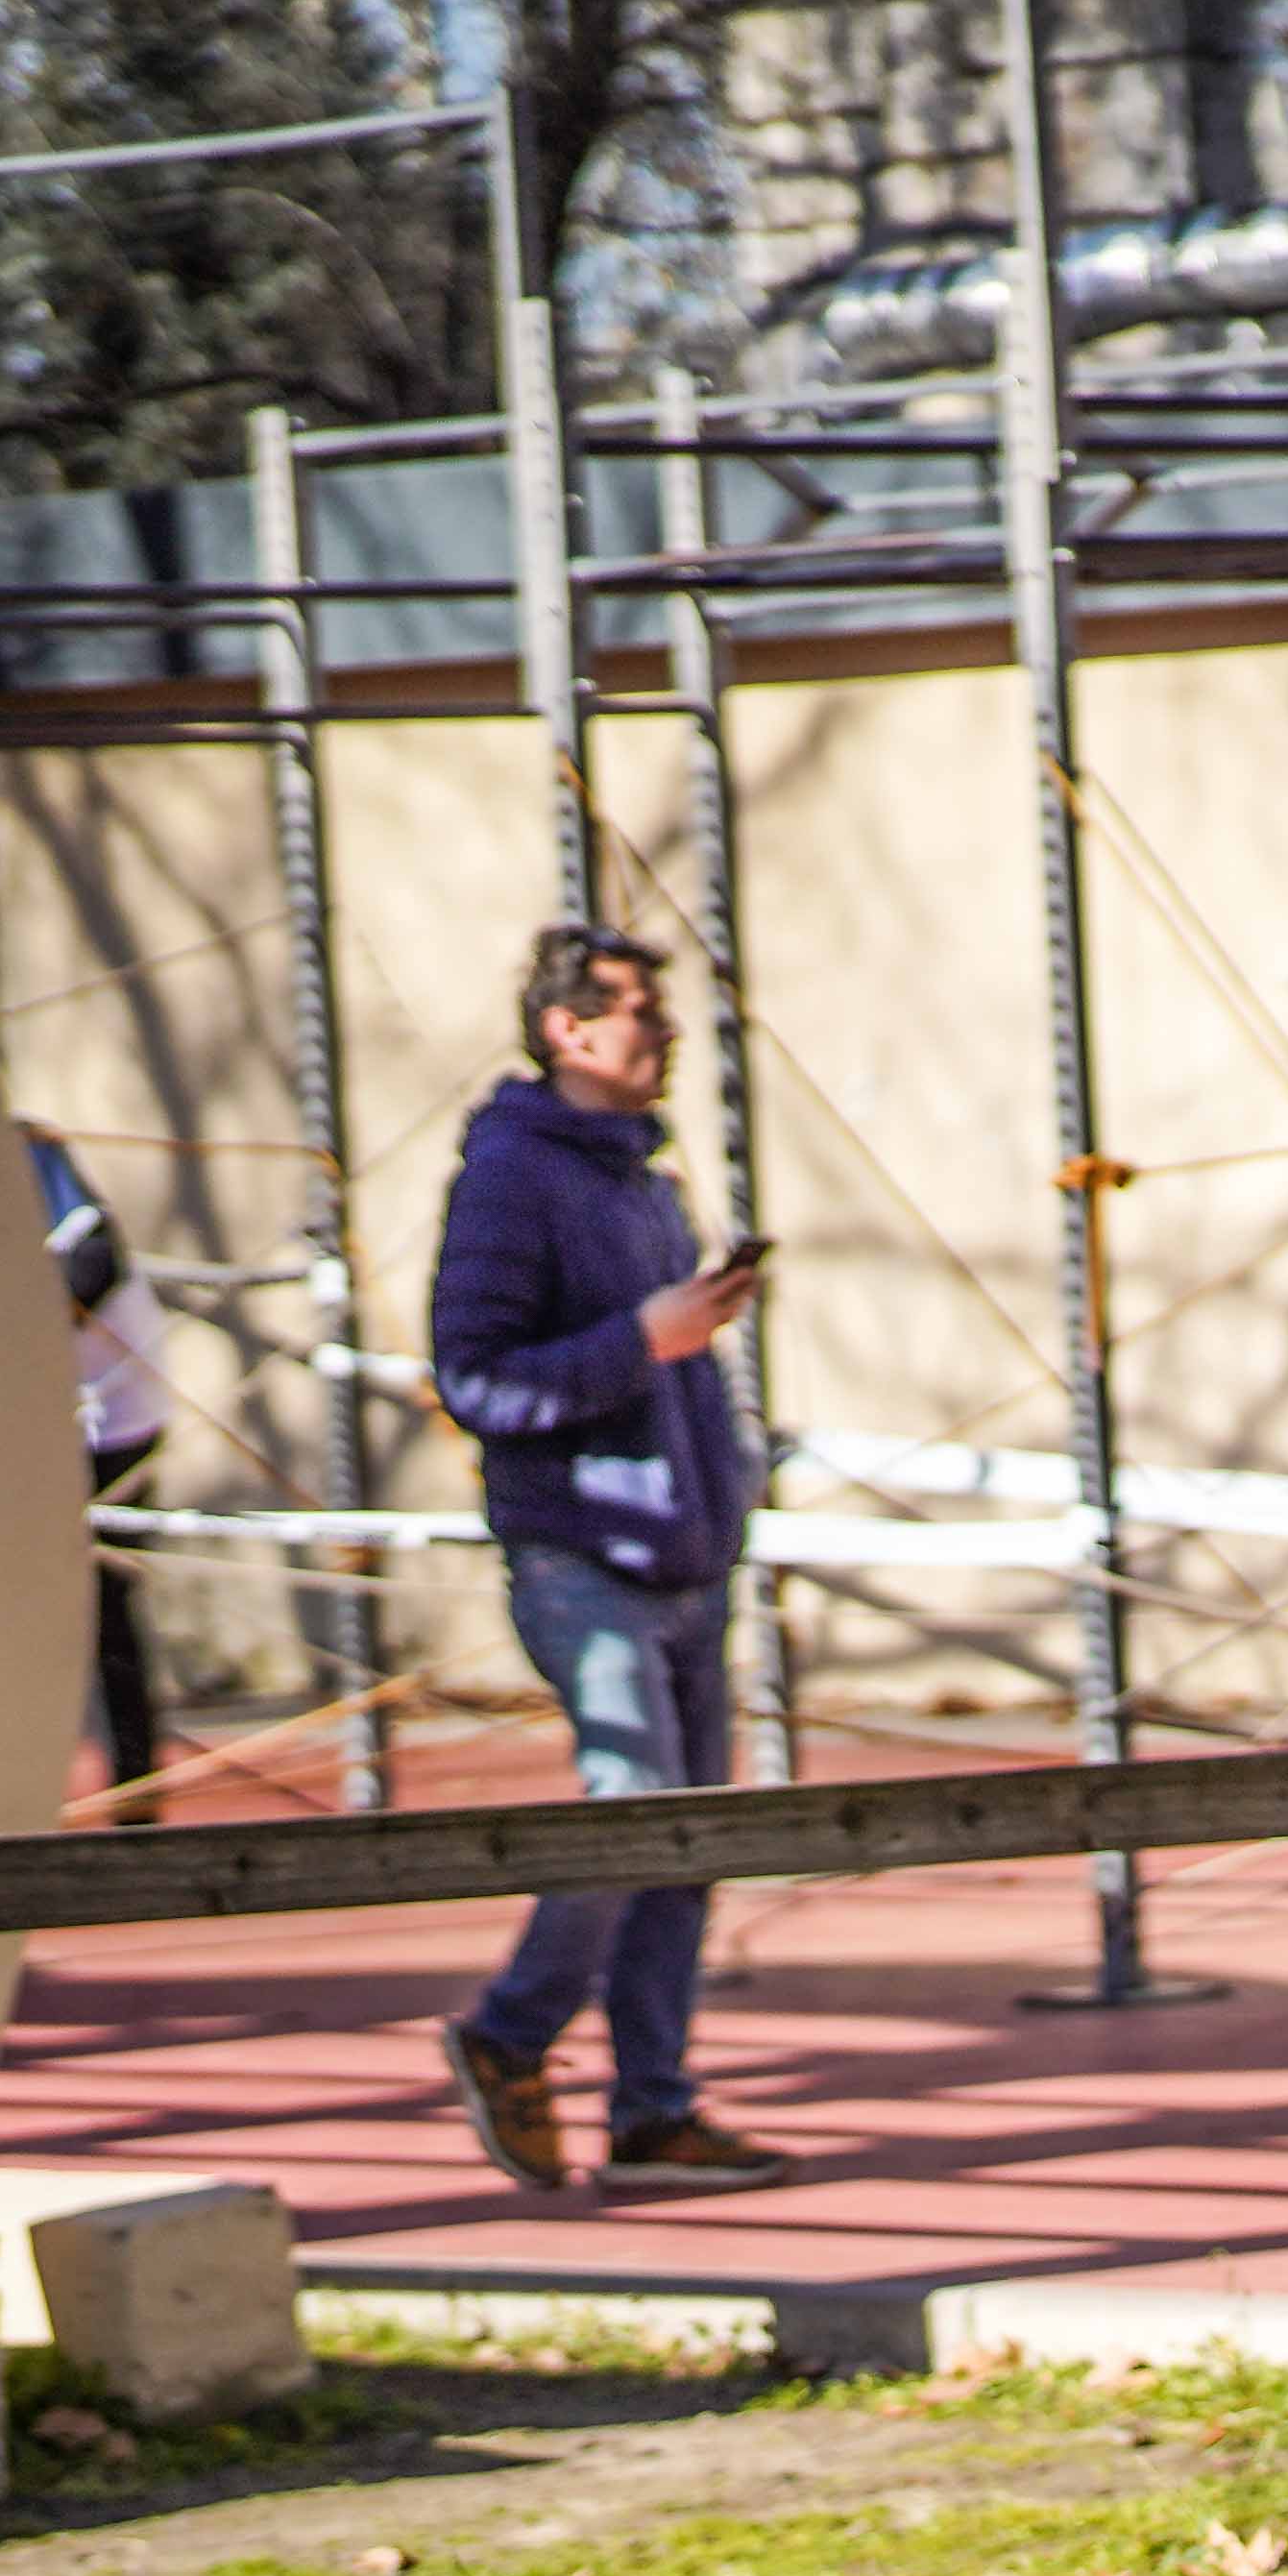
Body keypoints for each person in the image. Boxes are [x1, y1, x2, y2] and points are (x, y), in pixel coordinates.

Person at [429, 924, 791, 2198]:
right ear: (566, 1030)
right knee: (629, 1808)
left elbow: (660, 1356)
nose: (665, 1031)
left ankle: (654, 2111)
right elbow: (472, 1377)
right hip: (584, 1554)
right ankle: (509, 2036)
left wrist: (720, 1446)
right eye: (637, 1010)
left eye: (662, 1008)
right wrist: (643, 1340)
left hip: (688, 1548)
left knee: (684, 1845)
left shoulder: (642, 1177)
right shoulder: (513, 1178)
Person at [28, 1124, 177, 1821]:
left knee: (106, 1606)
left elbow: (93, 1261)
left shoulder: (32, 1156)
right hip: (47, 1424)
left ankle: (134, 1789)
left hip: (111, 1420)